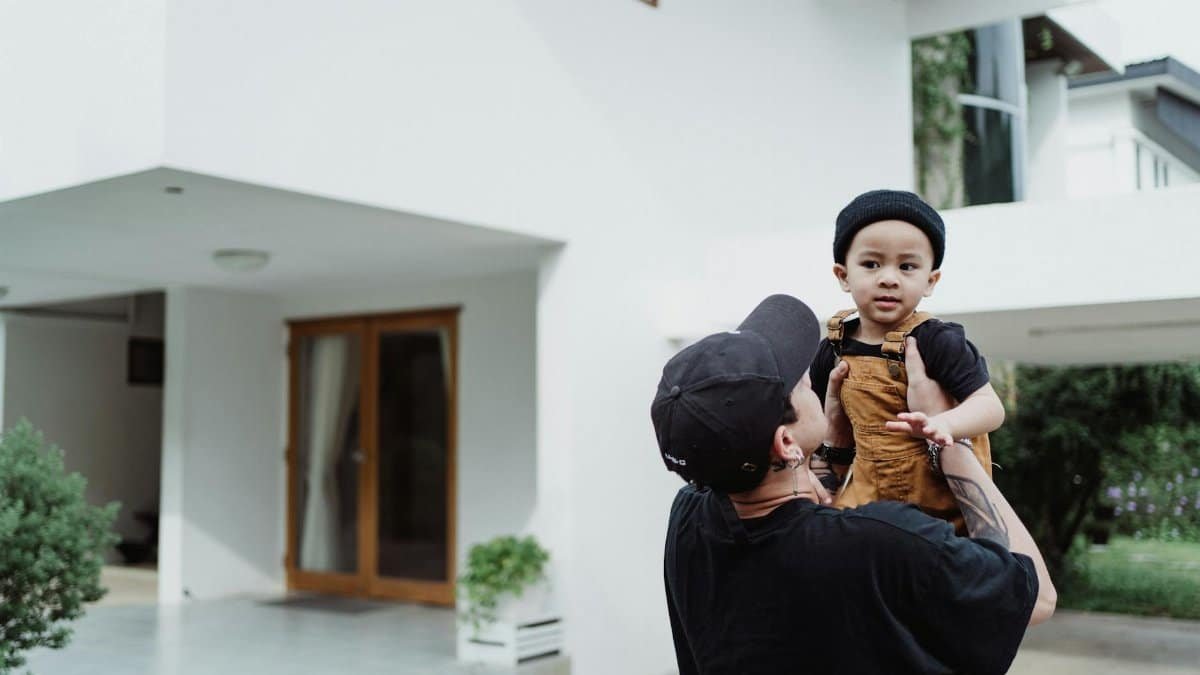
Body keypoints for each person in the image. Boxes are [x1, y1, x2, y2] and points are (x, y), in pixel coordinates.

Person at [653, 294, 1055, 675]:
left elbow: (798, 522)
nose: (811, 377)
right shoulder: (883, 543)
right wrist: (948, 438)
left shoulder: (688, 520)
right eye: (801, 383)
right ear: (785, 442)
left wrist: (834, 449)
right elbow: (1035, 599)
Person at [808, 189, 1006, 533]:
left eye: (907, 266)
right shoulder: (834, 348)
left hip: (937, 505)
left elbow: (990, 408)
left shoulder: (936, 340)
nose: (888, 277)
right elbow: (816, 421)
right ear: (843, 275)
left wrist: (945, 424)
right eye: (871, 264)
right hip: (866, 499)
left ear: (930, 281)